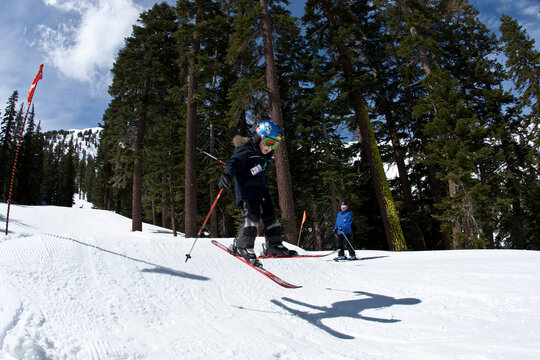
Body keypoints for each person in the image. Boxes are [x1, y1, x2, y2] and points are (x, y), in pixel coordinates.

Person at [218, 120, 296, 266]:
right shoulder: (246, 150)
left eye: (275, 144)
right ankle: (243, 246)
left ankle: (274, 245)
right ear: (259, 137)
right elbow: (233, 162)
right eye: (269, 142)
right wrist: (227, 175)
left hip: (262, 190)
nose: (271, 147)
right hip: (247, 192)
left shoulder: (265, 156)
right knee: (252, 217)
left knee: (271, 216)